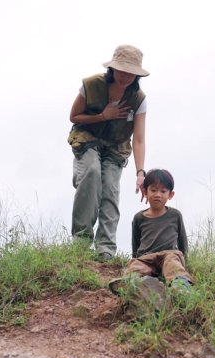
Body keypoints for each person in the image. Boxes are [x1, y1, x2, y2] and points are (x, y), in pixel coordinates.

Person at [68, 45, 149, 260]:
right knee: (92, 174)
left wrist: (140, 172)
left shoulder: (138, 99)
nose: (125, 77)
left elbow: (139, 139)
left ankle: (105, 249)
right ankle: (81, 242)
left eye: (131, 73)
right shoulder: (92, 85)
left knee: (110, 189)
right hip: (87, 139)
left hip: (116, 147)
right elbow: (74, 116)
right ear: (113, 69)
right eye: (122, 70)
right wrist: (104, 116)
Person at [110, 169, 193, 295]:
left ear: (170, 194)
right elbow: (136, 242)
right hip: (146, 257)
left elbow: (182, 240)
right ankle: (130, 284)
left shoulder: (175, 215)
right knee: (136, 266)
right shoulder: (139, 217)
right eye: (153, 190)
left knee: (172, 264)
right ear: (145, 192)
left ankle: (180, 286)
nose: (158, 194)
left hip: (168, 254)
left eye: (163, 191)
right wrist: (136, 258)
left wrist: (183, 258)